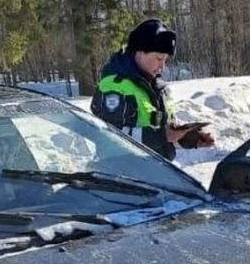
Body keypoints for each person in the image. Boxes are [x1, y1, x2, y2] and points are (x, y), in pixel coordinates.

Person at [90, 19, 213, 160]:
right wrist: (162, 135)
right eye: (159, 58)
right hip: (124, 174)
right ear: (140, 53)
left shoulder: (158, 87)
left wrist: (189, 138)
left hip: (156, 172)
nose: (163, 66)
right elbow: (111, 137)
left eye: (165, 59)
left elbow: (164, 136)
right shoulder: (114, 86)